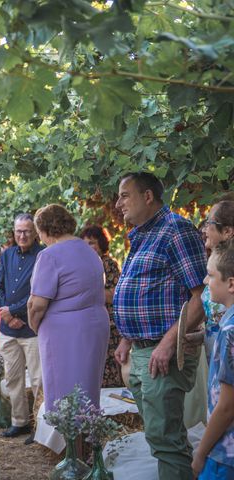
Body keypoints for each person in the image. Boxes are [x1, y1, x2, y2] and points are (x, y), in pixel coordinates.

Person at [112, 172, 206, 480]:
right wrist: (126, 339)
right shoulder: (142, 235)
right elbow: (145, 289)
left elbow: (199, 297)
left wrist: (167, 343)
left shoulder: (176, 230)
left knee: (166, 441)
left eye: (124, 195)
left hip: (162, 352)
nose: (118, 203)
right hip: (142, 352)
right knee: (159, 437)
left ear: (147, 196)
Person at [28, 205, 109, 412]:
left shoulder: (49, 255)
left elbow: (37, 305)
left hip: (64, 333)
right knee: (87, 390)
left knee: (64, 393)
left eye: (39, 234)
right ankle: (87, 438)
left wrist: (35, 326)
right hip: (96, 325)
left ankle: (67, 442)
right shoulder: (89, 252)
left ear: (45, 230)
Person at [0, 213, 44, 440]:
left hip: (31, 328)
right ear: (13, 233)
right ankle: (20, 422)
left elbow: (40, 293)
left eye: (26, 231)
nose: (22, 235)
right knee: (12, 378)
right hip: (8, 330)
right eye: (18, 231)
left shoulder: (43, 256)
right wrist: (6, 314)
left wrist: (14, 312)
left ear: (35, 232)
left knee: (38, 379)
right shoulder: (7, 255)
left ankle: (41, 427)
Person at [192, 240, 234, 479]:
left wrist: (200, 453)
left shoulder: (230, 331)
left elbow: (227, 407)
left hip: (224, 456)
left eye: (210, 275)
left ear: (231, 284)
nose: (206, 282)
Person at [80, 225, 123, 387]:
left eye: (91, 243)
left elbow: (114, 295)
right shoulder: (80, 265)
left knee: (109, 370)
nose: (88, 247)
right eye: (85, 244)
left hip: (109, 326)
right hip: (87, 325)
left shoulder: (109, 264)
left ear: (101, 244)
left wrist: (86, 294)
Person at [202, 200, 234, 361]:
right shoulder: (214, 263)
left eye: (209, 223)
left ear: (227, 231)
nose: (204, 229)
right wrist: (202, 336)